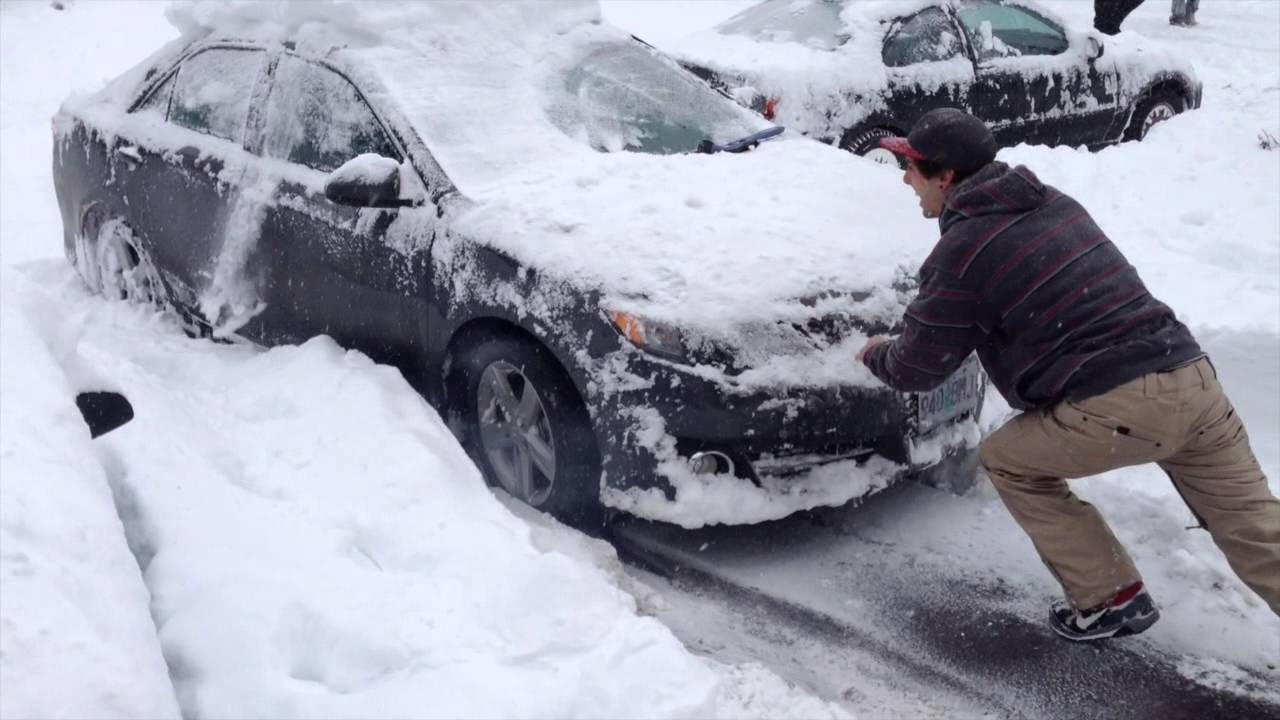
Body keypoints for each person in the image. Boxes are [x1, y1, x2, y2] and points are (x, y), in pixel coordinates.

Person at [858, 107, 1280, 642]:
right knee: (1259, 533)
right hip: (1192, 378)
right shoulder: (1054, 203)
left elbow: (917, 366)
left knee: (1006, 459)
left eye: (912, 168)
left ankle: (1110, 597)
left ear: (945, 177)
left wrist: (873, 354)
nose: (905, 179)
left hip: (1119, 401)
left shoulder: (964, 250)